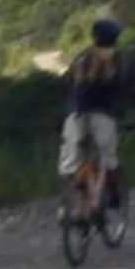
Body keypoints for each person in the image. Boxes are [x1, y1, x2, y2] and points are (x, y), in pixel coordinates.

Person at [56, 16, 128, 205]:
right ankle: (112, 196)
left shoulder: (82, 57)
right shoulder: (118, 59)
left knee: (69, 161)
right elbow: (124, 86)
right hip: (102, 112)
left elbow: (68, 81)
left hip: (76, 112)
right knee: (108, 156)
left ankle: (66, 205)